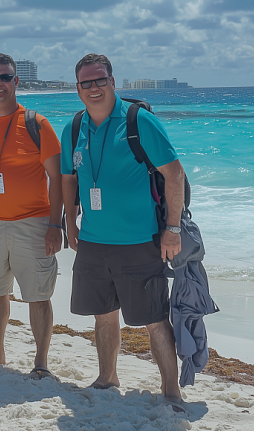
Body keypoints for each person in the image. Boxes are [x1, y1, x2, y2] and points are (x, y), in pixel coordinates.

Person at [61, 53, 186, 409]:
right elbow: (69, 180)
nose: (94, 88)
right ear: (78, 88)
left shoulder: (138, 121)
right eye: (87, 82)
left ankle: (171, 391)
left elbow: (174, 175)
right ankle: (107, 377)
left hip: (139, 242)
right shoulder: (73, 127)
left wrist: (172, 230)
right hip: (93, 242)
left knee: (155, 320)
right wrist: (71, 224)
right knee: (102, 316)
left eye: (100, 80)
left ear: (113, 82)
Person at [0, 53, 63, 379]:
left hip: (33, 222)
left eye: (5, 77)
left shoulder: (36, 124)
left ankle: (41, 362)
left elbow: (58, 179)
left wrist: (55, 225)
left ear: (16, 81)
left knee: (38, 294)